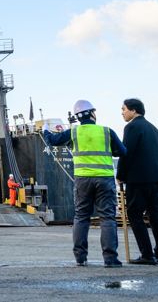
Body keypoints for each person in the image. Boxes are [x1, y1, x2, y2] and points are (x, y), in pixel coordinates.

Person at [43, 99, 126, 268]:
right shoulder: (106, 131)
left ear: (78, 117)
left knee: (81, 217)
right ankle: (110, 259)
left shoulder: (74, 132)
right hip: (105, 178)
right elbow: (122, 151)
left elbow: (53, 140)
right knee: (107, 218)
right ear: (93, 114)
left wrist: (45, 131)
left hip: (82, 180)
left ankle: (81, 258)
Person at [117, 98, 158, 266]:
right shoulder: (155, 129)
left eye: (124, 109)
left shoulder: (132, 127)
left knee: (134, 214)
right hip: (156, 178)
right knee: (156, 216)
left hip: (138, 179)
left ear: (133, 110)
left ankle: (147, 255)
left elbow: (126, 153)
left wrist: (120, 175)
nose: (122, 112)